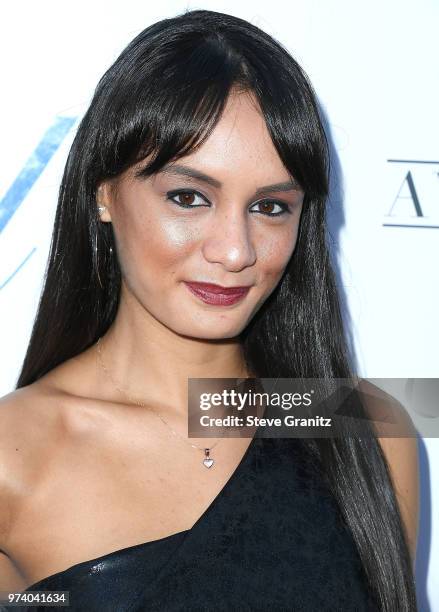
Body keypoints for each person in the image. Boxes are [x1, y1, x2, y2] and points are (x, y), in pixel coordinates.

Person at [0, 8, 419, 611]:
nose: (234, 251)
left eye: (271, 207)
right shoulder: (14, 453)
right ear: (104, 194)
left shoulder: (362, 425)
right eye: (189, 197)